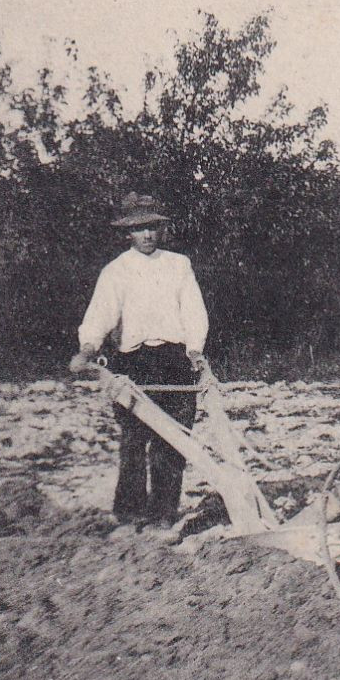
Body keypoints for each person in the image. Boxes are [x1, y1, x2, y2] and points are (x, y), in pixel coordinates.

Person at [68, 193, 209, 531]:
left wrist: (195, 350)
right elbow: (101, 313)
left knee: (173, 438)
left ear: (161, 231)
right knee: (133, 439)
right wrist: (88, 349)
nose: (146, 235)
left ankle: (163, 513)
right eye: (139, 229)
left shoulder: (179, 265)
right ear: (128, 233)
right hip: (134, 363)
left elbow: (193, 311)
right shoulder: (116, 271)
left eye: (152, 228)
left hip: (174, 360)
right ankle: (129, 514)